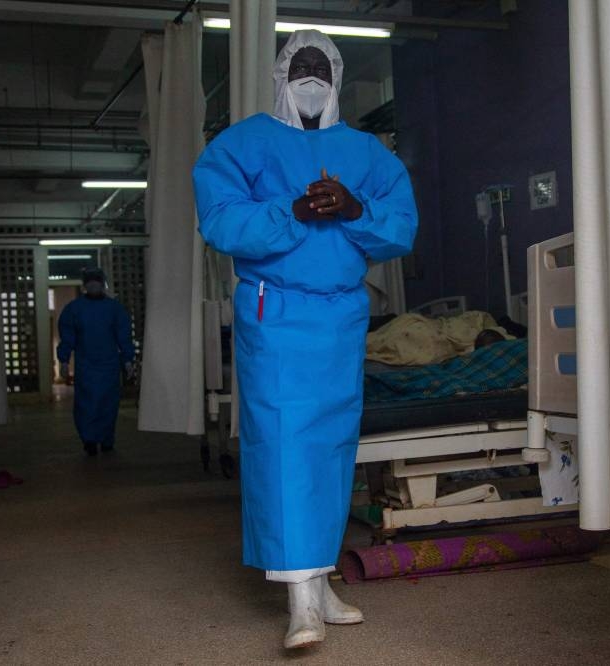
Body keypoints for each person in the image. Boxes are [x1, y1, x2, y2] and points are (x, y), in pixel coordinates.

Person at [193, 30, 418, 649]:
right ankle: (300, 604)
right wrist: (289, 212)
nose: (311, 75)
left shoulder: (366, 153)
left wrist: (353, 208)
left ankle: (320, 583)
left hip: (340, 316)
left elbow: (400, 226)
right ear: (281, 74)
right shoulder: (242, 144)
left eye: (322, 65)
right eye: (300, 64)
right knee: (284, 447)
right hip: (277, 313)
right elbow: (219, 220)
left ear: (337, 77)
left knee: (331, 448)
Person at [56, 268, 135, 456]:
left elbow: (124, 336)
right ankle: (89, 440)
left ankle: (107, 439)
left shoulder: (114, 309)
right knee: (86, 405)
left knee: (108, 404)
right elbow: (67, 337)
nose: (93, 285)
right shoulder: (74, 309)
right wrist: (64, 360)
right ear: (85, 285)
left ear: (102, 284)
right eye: (90, 282)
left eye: (96, 281)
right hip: (86, 365)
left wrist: (128, 360)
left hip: (109, 365)